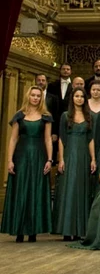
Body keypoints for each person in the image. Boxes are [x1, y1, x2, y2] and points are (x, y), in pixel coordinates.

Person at [1, 86, 53, 242]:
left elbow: (48, 139)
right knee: (21, 190)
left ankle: (33, 231)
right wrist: (10, 160)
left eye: (38, 95)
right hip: (21, 156)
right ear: (28, 96)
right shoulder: (19, 115)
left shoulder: (46, 116)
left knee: (35, 190)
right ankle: (18, 229)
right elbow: (13, 139)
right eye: (33, 95)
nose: (36, 98)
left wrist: (49, 159)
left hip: (38, 155)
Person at [54, 87, 96, 241]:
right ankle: (66, 229)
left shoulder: (89, 116)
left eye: (82, 96)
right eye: (76, 96)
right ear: (72, 98)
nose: (79, 99)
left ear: (85, 99)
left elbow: (91, 139)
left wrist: (93, 159)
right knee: (68, 190)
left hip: (84, 155)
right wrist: (61, 159)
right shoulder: (65, 116)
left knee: (81, 190)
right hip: (70, 154)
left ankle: (79, 229)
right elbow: (61, 139)